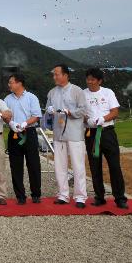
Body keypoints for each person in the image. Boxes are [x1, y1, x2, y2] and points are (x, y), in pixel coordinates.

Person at [45, 64, 90, 208]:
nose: (54, 77)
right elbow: (47, 109)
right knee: (60, 165)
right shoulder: (52, 92)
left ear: (66, 75)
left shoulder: (77, 91)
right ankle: (63, 194)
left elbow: (83, 110)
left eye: (57, 74)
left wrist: (70, 112)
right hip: (58, 133)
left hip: (74, 133)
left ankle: (80, 196)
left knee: (78, 165)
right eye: (54, 74)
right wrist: (49, 110)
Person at [83, 68, 128, 209]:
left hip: (107, 132)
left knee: (114, 165)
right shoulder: (82, 94)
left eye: (92, 79)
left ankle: (120, 198)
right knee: (94, 167)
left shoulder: (108, 92)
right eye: (88, 79)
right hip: (91, 133)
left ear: (99, 81)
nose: (89, 82)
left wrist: (103, 118)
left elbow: (115, 111)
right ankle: (99, 197)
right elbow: (80, 113)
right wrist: (88, 120)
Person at [4, 73, 42, 204]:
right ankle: (20, 195)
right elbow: (5, 115)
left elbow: (36, 115)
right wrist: (11, 123)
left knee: (33, 164)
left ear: (19, 83)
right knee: (15, 165)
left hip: (29, 132)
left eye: (11, 82)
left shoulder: (31, 97)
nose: (9, 85)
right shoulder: (7, 99)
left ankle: (36, 193)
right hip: (14, 133)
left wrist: (26, 123)